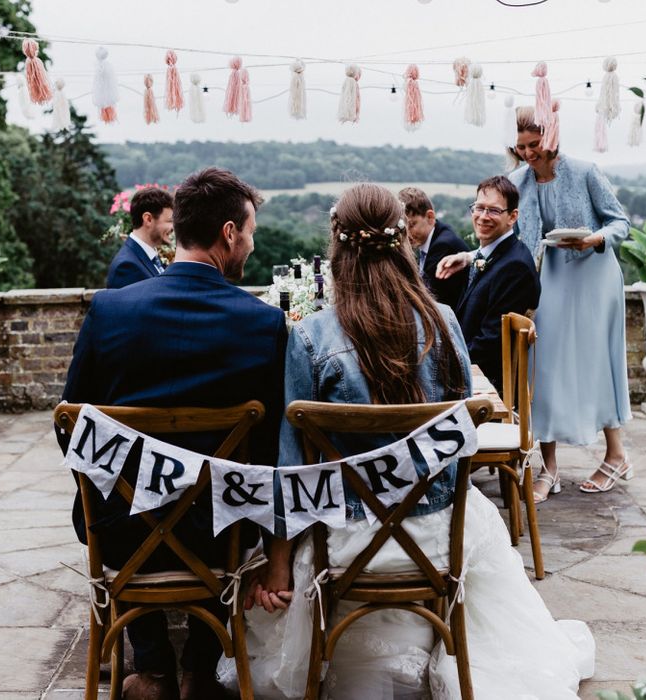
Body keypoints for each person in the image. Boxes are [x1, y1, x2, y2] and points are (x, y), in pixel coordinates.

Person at [219, 183, 594, 699]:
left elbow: (292, 469)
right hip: (440, 532)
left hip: (347, 543)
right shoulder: (443, 322)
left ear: (338, 248)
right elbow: (465, 437)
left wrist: (279, 563)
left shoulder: (309, 337)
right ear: (400, 244)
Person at [58, 167, 288, 700]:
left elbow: (72, 428)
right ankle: (198, 670)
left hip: (119, 525)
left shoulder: (109, 311)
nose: (250, 245)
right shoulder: (264, 326)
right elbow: (273, 451)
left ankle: (154, 667)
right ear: (229, 233)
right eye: (249, 232)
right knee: (219, 506)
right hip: (218, 531)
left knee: (129, 505)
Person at [507, 105, 633, 502]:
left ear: (552, 137)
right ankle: (549, 468)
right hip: (551, 277)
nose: (528, 153)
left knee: (597, 362)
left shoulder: (585, 171)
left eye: (535, 144)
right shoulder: (516, 180)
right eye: (522, 146)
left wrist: (595, 239)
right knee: (542, 365)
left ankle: (616, 455)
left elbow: (620, 223)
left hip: (594, 275)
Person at [435, 175, 541, 391]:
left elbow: (491, 342)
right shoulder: (490, 254)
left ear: (512, 217)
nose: (483, 217)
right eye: (479, 208)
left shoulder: (515, 267)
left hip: (487, 387)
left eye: (493, 210)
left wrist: (443, 366)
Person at [399, 186, 469, 310]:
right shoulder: (429, 239)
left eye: (412, 224)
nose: (407, 233)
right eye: (403, 227)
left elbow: (427, 297)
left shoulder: (443, 246)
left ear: (430, 217)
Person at [106, 186, 174, 288]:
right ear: (148, 219)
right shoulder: (126, 267)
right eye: (170, 221)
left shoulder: (150, 256)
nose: (173, 227)